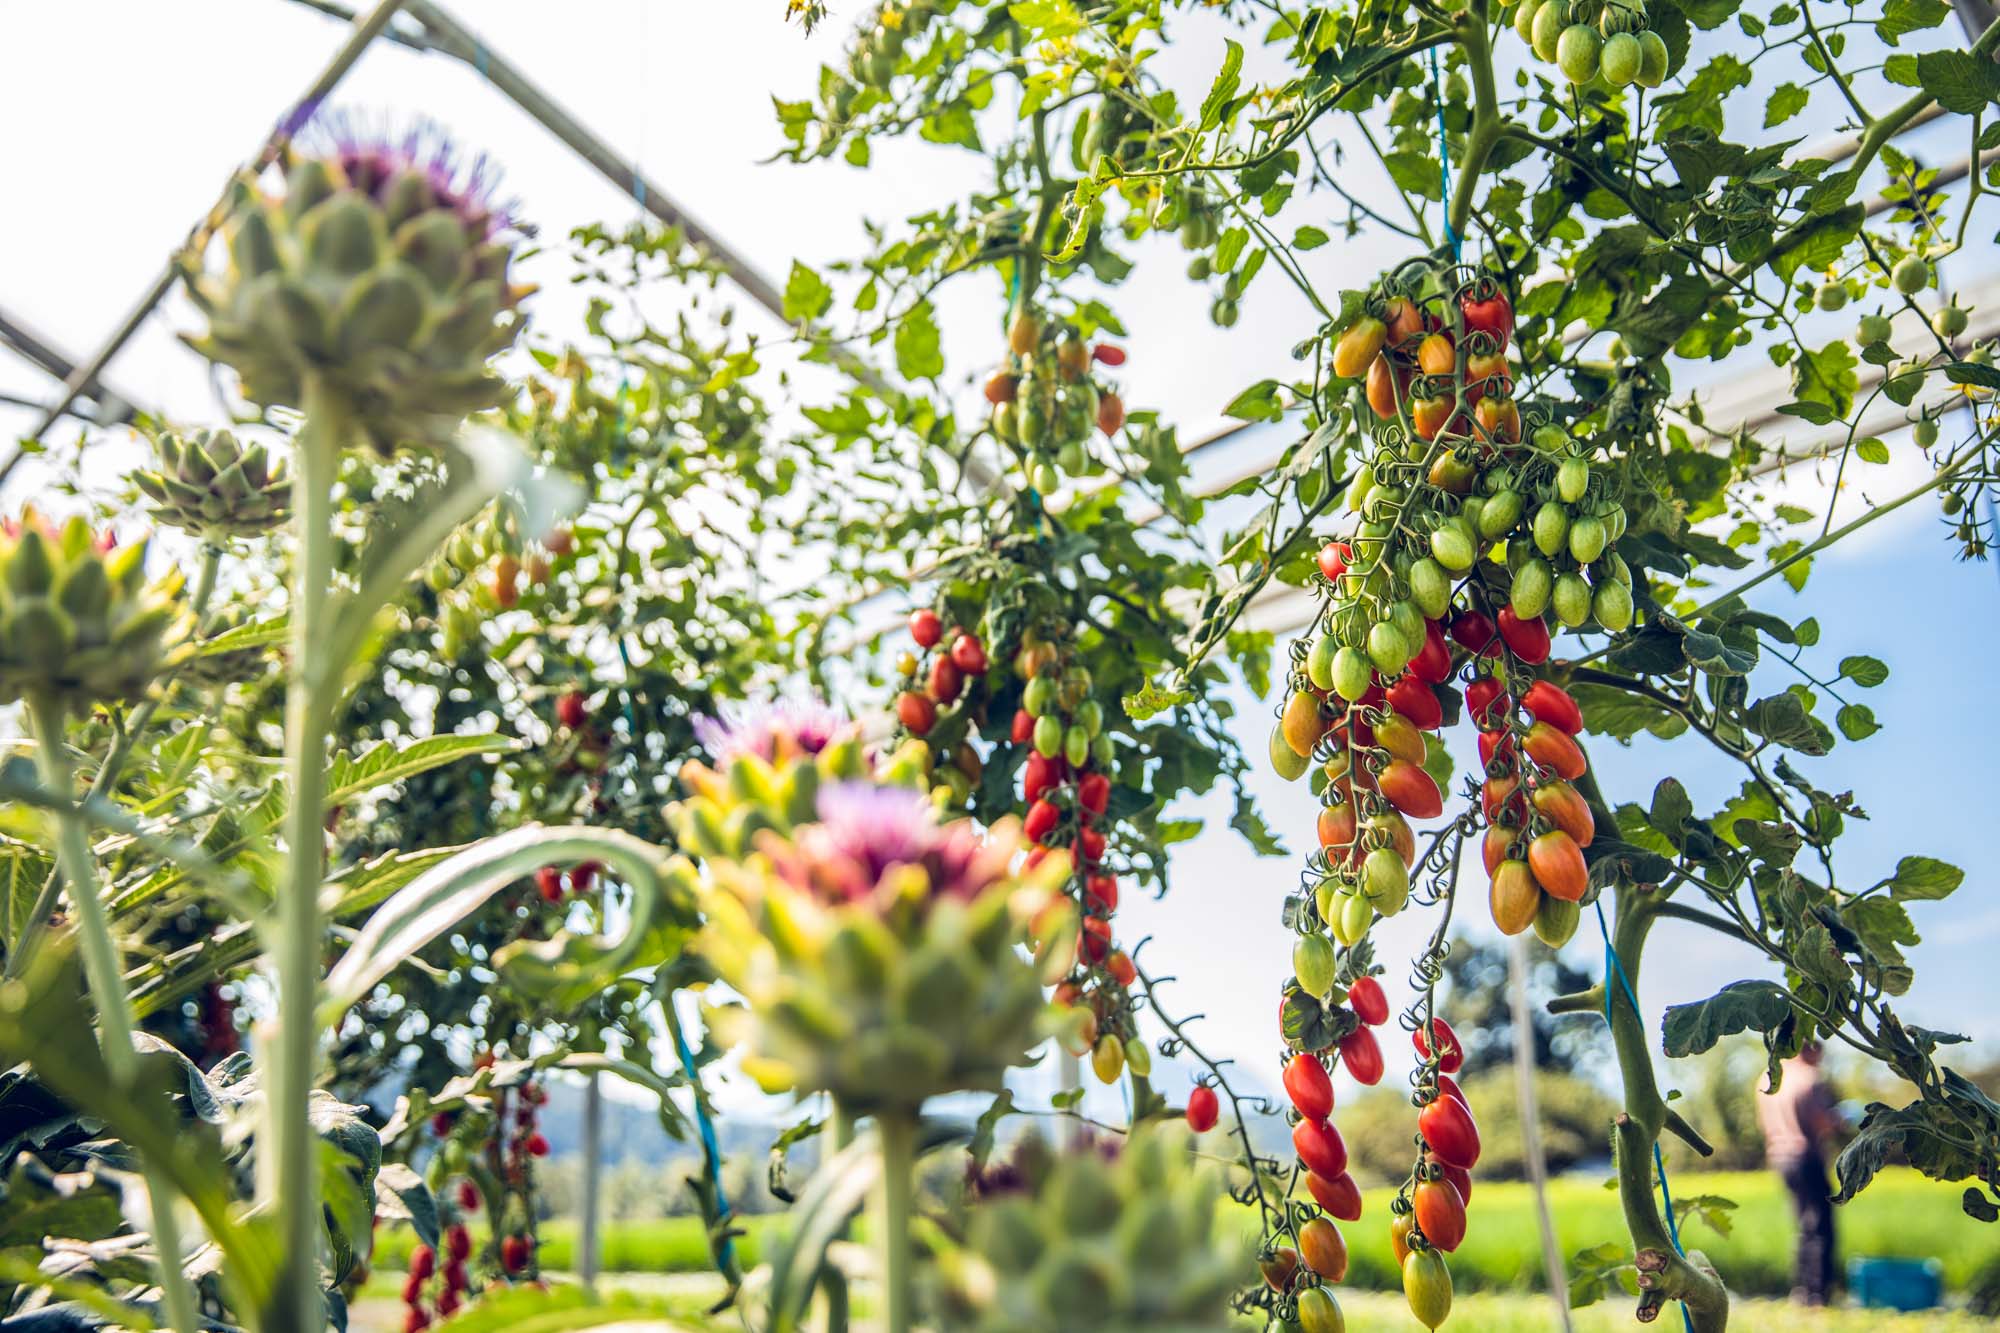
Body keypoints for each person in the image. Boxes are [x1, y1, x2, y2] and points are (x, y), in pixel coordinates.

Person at [1757, 1042, 1845, 1305]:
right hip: (1806, 1155)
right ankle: (1818, 1295)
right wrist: (1841, 1121)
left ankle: (1801, 1290)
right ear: (1810, 1050)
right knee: (1820, 1225)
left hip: (1780, 1156)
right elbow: (1821, 1122)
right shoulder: (1810, 1078)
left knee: (1802, 1224)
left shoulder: (1768, 1077)